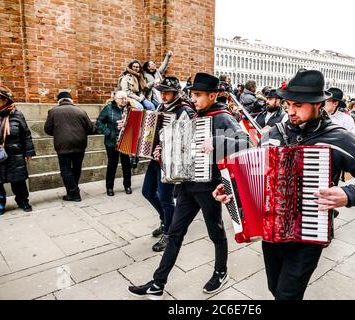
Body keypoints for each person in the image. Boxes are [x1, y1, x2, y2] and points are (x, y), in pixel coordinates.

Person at [213, 69, 355, 300]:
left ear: (318, 104)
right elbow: (253, 176)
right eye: (289, 104)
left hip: (308, 234)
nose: (291, 111)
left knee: (287, 295)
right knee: (275, 289)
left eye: (299, 105)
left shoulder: (339, 137)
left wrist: (348, 194)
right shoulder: (273, 135)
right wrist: (231, 190)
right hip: (271, 230)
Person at [128, 73, 248, 299]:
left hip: (209, 187)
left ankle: (221, 271)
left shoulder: (222, 117)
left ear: (213, 95)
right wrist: (163, 153)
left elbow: (245, 143)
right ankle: (158, 283)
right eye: (192, 94)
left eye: (199, 95)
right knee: (174, 233)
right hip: (186, 186)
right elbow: (181, 147)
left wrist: (216, 142)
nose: (194, 99)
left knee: (216, 232)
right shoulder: (193, 116)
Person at [141, 77, 195, 252]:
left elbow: (187, 139)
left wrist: (163, 147)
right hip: (156, 159)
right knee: (147, 191)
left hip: (170, 162)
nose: (163, 96)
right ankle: (165, 219)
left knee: (166, 198)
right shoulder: (159, 107)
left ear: (176, 93)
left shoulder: (184, 110)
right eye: (161, 92)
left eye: (167, 92)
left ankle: (169, 232)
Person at [0, 86, 36, 214]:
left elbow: (25, 134)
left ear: (5, 100)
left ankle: (23, 201)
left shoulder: (16, 114)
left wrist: (29, 151)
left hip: (14, 154)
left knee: (18, 181)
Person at [44, 91, 95, 201]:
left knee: (65, 170)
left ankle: (74, 193)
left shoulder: (53, 111)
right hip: (80, 144)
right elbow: (90, 128)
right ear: (71, 100)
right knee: (76, 168)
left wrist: (59, 132)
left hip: (63, 145)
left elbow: (47, 129)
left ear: (59, 101)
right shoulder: (81, 111)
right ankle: (72, 191)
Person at [96, 90, 134, 196]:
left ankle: (127, 185)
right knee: (112, 164)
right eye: (121, 98)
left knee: (126, 164)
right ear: (116, 99)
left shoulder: (131, 109)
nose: (124, 100)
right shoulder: (108, 108)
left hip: (126, 141)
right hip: (111, 141)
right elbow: (99, 122)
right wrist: (109, 132)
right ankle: (109, 187)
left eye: (125, 98)